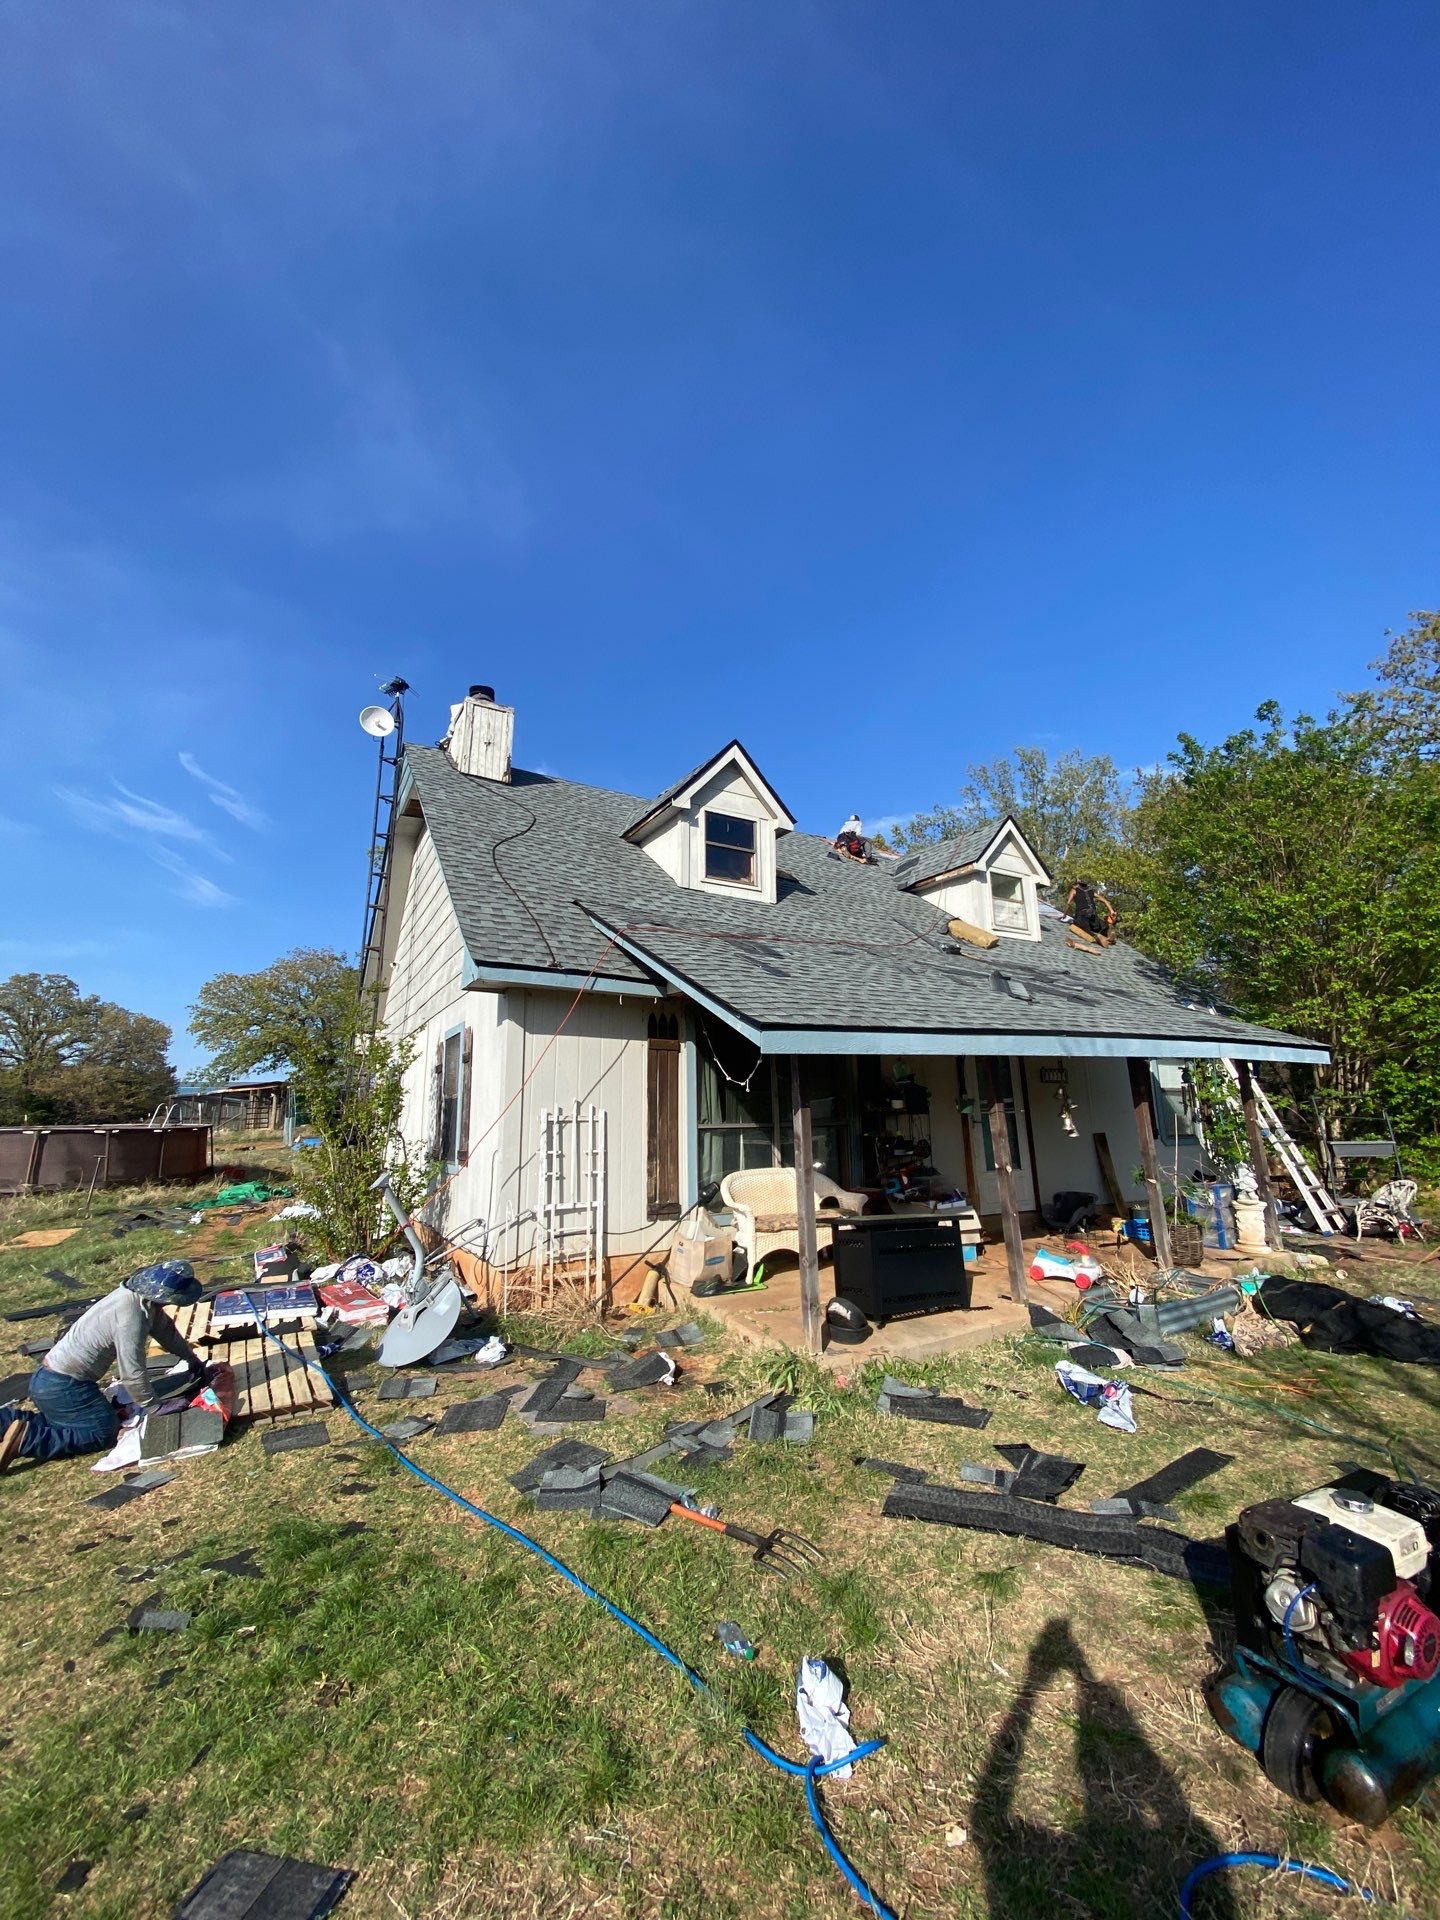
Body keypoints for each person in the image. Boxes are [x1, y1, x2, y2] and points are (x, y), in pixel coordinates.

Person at [0, 1261, 206, 1473]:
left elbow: (166, 1332)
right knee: (101, 1432)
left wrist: (191, 1358)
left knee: (66, 1424)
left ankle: (6, 1423)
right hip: (65, 1385)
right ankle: (28, 1441)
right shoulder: (131, 1317)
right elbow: (131, 1372)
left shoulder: (137, 1299)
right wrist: (155, 1406)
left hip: (49, 1381)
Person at [1066, 876, 1117, 942]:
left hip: (1082, 917)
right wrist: (1111, 910)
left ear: (1077, 884)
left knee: (1083, 928)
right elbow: (1104, 900)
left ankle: (1094, 936)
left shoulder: (1074, 890)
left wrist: (1064, 915)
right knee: (1104, 927)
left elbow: (1068, 903)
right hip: (1093, 916)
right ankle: (1108, 935)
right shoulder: (1091, 891)